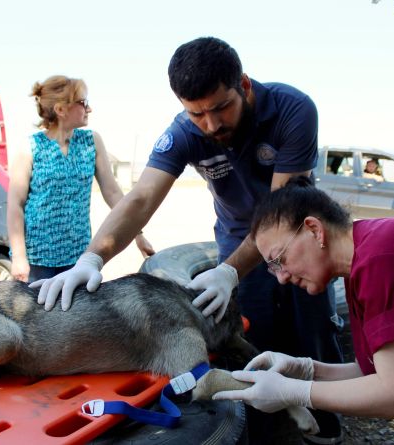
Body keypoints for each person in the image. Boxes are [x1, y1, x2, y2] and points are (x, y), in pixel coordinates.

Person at [30, 38, 345, 444]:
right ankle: (272, 431)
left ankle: (330, 428)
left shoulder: (292, 109)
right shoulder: (183, 132)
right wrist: (91, 259)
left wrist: (229, 271)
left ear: (244, 86)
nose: (211, 125)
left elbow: (280, 215)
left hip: (296, 241)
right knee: (254, 339)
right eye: (196, 113)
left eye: (220, 108)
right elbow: (141, 197)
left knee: (313, 332)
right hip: (236, 242)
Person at [211, 175, 394, 445]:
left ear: (314, 230)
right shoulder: (364, 260)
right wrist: (307, 370)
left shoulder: (383, 259)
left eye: (279, 259)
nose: (281, 277)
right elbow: (379, 371)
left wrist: (294, 392)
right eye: (272, 268)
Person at [7, 75, 154, 283]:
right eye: (83, 103)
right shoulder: (30, 147)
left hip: (79, 257)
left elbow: (112, 192)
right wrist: (20, 257)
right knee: (37, 316)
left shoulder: (91, 142)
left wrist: (138, 234)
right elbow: (15, 205)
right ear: (61, 109)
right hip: (36, 259)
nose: (89, 108)